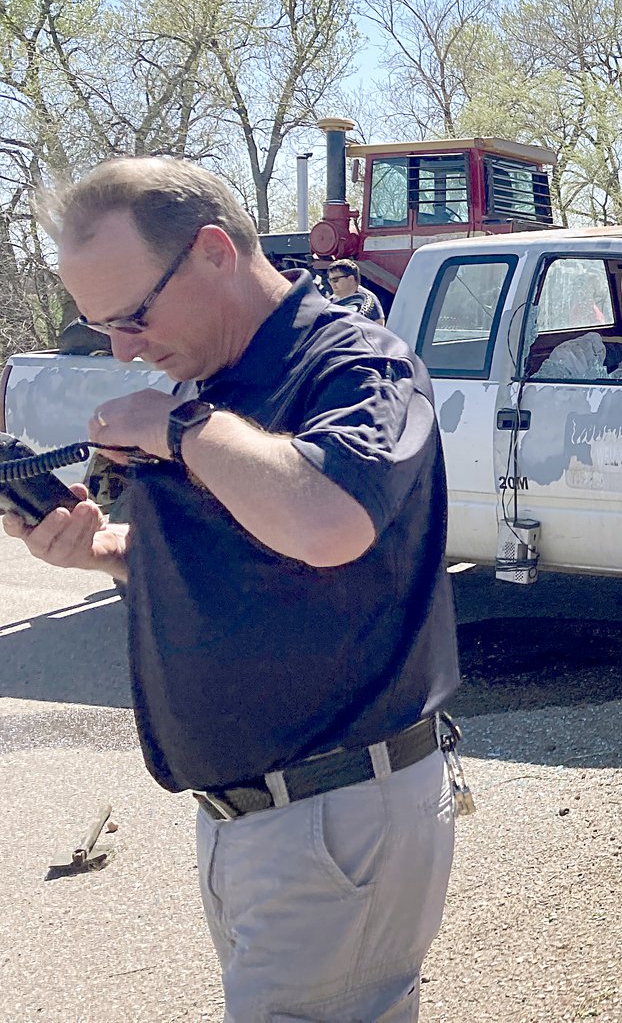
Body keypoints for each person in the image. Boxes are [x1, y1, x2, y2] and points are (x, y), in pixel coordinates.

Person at [5, 157, 462, 1020]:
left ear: (214, 250)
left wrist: (180, 427)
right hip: (264, 819)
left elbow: (328, 522)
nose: (124, 350)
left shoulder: (356, 367)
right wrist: (104, 550)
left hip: (333, 812)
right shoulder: (214, 379)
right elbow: (256, 560)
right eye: (100, 325)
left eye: (134, 315)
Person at [326, 257, 385, 324]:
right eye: (330, 280)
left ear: (351, 279)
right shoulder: (330, 301)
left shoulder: (368, 300)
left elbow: (379, 324)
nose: (332, 284)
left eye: (335, 280)